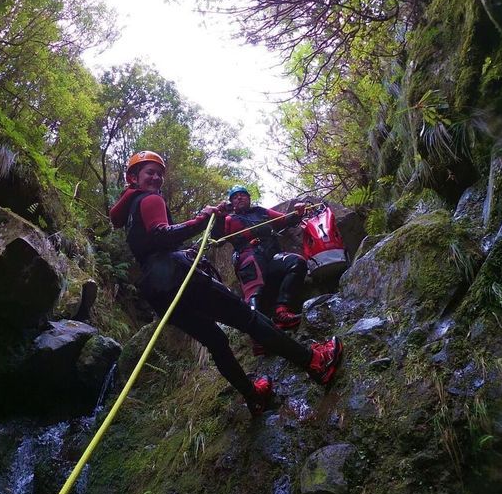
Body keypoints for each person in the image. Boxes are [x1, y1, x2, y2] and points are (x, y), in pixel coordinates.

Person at [109, 151, 343, 416]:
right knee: (249, 319)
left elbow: (127, 225)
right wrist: (201, 220)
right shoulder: (151, 198)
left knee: (216, 340)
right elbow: (162, 235)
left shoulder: (129, 211)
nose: (156, 178)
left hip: (155, 289)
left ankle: (253, 395)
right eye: (149, 172)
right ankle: (314, 361)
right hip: (176, 275)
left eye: (159, 173)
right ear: (134, 177)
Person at [222, 185, 308, 332]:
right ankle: (259, 337)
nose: (239, 198)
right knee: (254, 293)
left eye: (242, 195)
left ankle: (282, 310)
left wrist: (298, 213)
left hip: (271, 257)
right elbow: (218, 237)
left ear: (249, 198)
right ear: (232, 203)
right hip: (248, 257)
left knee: (297, 262)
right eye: (235, 197)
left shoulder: (260, 212)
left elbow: (284, 220)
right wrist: (218, 216)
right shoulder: (229, 219)